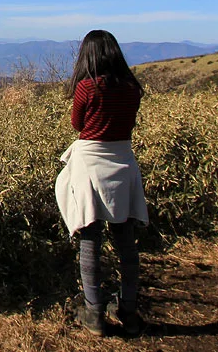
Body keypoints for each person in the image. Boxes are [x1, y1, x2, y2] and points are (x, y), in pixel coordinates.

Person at [55, 29, 148, 336]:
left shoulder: (87, 88)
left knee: (90, 238)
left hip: (90, 164)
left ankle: (94, 312)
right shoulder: (132, 88)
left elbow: (77, 124)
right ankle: (129, 310)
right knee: (125, 240)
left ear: (88, 55)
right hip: (123, 162)